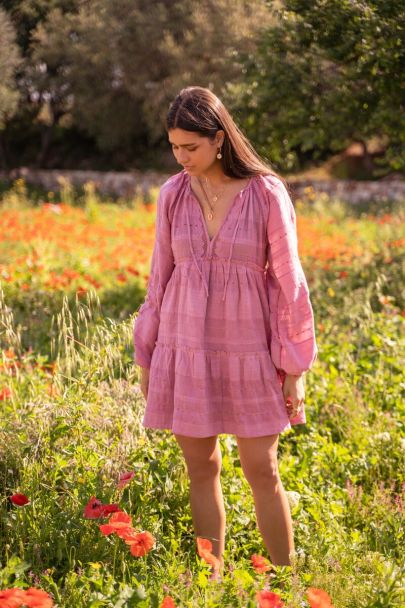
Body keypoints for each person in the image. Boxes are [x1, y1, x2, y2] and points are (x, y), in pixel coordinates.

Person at [133, 86, 318, 577]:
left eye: (190, 147)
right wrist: (147, 355)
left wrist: (294, 367)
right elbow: (159, 277)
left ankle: (286, 581)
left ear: (218, 139)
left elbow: (288, 281)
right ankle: (209, 579)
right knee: (202, 468)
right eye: (174, 146)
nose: (181, 157)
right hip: (184, 344)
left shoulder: (265, 192)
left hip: (249, 351)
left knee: (263, 469)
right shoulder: (172, 193)